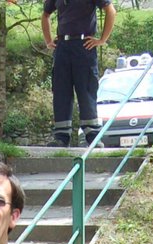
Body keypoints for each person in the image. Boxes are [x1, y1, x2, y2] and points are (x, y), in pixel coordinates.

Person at [41, 0, 115, 148]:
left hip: (84, 46)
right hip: (62, 46)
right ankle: (61, 136)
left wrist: (102, 40)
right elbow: (45, 15)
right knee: (61, 91)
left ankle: (92, 134)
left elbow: (111, 11)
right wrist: (49, 41)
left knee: (86, 89)